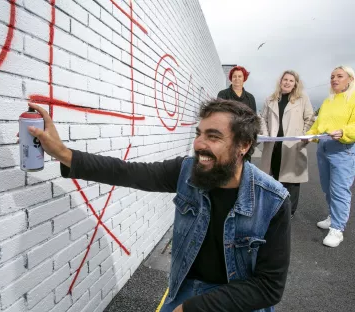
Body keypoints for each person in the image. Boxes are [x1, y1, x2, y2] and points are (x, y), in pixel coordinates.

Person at [26, 99, 291, 312]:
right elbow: (127, 172)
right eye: (199, 134)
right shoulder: (188, 171)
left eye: (213, 136)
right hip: (186, 289)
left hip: (238, 301)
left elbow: (268, 288)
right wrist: (63, 153)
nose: (199, 144)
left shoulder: (273, 200)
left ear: (243, 145)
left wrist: (193, 309)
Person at [306, 65, 355, 248]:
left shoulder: (354, 98)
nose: (334, 79)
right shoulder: (328, 101)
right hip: (324, 149)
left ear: (350, 79)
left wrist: (343, 131)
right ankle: (332, 216)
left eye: (339, 76)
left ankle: (337, 229)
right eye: (332, 76)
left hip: (343, 149)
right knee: (327, 187)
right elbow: (319, 125)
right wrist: (309, 135)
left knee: (340, 190)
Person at [259, 70, 314, 218]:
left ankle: (289, 212)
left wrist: (302, 135)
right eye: (285, 79)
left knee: (291, 180)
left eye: (291, 80)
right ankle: (274, 209)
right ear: (280, 81)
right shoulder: (270, 99)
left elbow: (309, 118)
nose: (287, 82)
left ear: (295, 83)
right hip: (273, 145)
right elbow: (262, 118)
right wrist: (265, 135)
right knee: (274, 176)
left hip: (292, 145)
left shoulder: (302, 99)